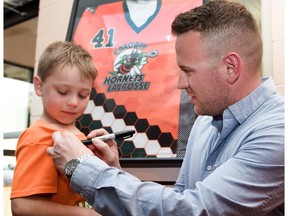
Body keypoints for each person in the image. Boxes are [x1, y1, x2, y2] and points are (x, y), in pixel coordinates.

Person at [47, 1, 284, 215]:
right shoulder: (204, 121)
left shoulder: (278, 134)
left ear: (230, 67)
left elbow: (192, 210)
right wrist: (113, 170)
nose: (180, 83)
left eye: (188, 71)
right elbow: (180, 196)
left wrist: (82, 167)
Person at [10, 41, 101, 215]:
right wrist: (85, 214)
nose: (73, 102)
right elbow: (22, 206)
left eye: (83, 95)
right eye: (62, 92)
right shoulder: (38, 138)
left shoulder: (80, 136)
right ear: (39, 86)